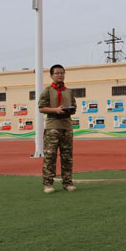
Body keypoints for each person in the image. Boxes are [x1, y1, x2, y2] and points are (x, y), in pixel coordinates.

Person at [38, 64, 77, 194]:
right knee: (50, 156)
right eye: (57, 73)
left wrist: (69, 110)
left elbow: (74, 107)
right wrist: (55, 110)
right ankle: (48, 184)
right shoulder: (47, 91)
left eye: (62, 73)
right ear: (51, 75)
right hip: (52, 127)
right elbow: (41, 108)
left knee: (67, 157)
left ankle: (67, 183)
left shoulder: (69, 91)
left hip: (66, 127)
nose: (60, 75)